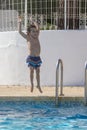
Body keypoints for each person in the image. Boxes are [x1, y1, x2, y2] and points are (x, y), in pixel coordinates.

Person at [18, 16, 43, 93]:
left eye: (36, 31)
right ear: (29, 32)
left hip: (37, 58)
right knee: (31, 71)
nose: (35, 33)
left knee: (38, 72)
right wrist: (20, 22)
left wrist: (33, 21)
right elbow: (20, 32)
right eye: (33, 31)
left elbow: (38, 28)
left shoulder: (37, 36)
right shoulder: (28, 38)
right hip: (31, 58)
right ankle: (32, 84)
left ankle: (38, 85)